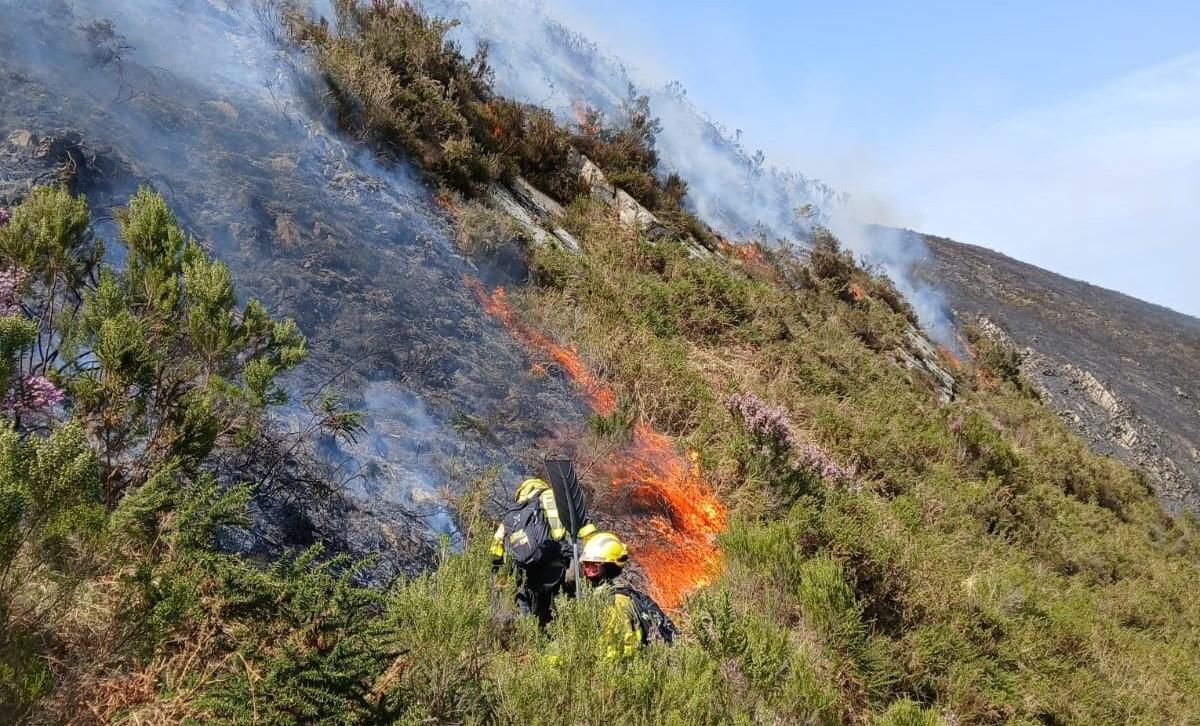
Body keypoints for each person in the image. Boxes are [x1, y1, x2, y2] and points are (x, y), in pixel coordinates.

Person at [491, 477, 595, 625]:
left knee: (535, 615)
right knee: (563, 614)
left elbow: (496, 546)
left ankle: (531, 640)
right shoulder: (555, 497)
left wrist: (498, 572)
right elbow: (583, 525)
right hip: (558, 566)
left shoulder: (515, 511)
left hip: (530, 571)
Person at [578, 531, 676, 657]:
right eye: (585, 566)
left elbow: (616, 651)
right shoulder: (611, 594)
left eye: (593, 568)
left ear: (609, 567)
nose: (586, 573)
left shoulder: (616, 602)